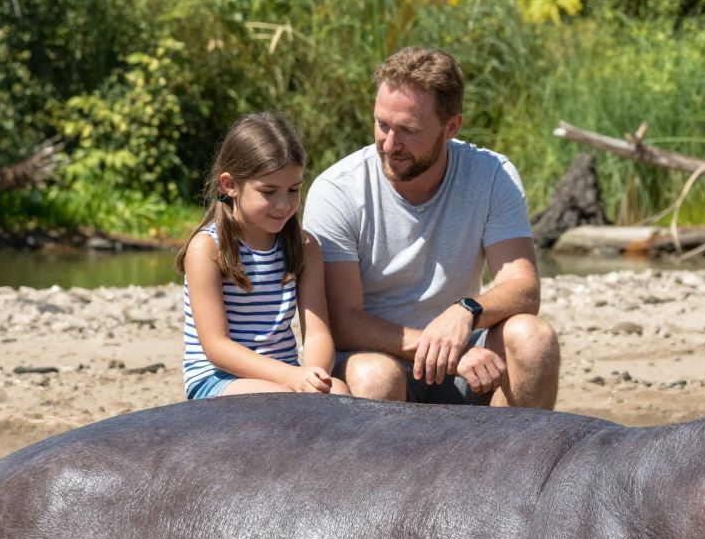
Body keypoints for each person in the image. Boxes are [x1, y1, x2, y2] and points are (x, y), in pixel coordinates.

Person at [303, 46, 559, 407]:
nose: (390, 144)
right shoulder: (337, 190)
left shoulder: (492, 175)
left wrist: (466, 310)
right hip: (377, 358)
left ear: (451, 127)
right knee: (375, 376)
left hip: (464, 357)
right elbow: (342, 323)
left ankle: (512, 446)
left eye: (408, 130)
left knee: (534, 339)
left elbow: (524, 289)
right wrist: (440, 348)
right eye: (382, 124)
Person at [178, 112, 348, 399]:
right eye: (269, 191)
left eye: (293, 190)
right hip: (217, 378)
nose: (284, 204)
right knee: (280, 400)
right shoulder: (206, 249)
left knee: (341, 393)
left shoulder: (305, 246)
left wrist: (315, 376)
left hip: (285, 375)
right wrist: (290, 377)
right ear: (230, 185)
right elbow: (217, 347)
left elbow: (318, 333)